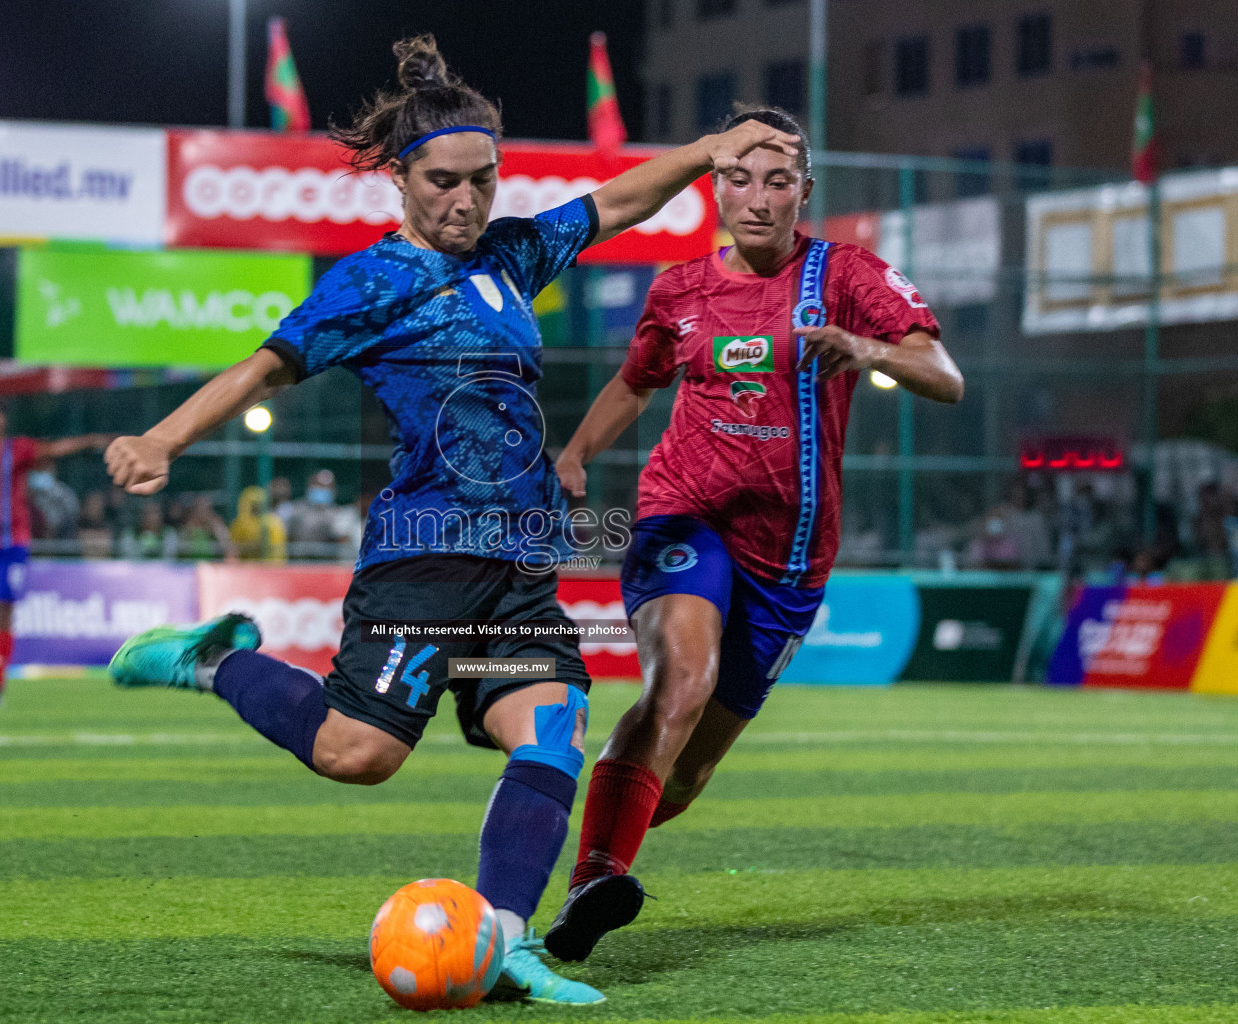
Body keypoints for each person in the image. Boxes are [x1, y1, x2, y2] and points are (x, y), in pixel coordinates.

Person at [102, 36, 800, 1006]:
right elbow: (263, 367)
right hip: (422, 566)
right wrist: (163, 438)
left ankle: (505, 937)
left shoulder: (514, 255)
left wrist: (706, 153)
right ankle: (213, 659)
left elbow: (617, 204)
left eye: (483, 180)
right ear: (400, 177)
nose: (466, 201)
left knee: (552, 724)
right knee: (360, 754)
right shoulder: (371, 283)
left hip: (515, 569)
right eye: (443, 182)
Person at [542, 104, 964, 962]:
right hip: (682, 514)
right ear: (716, 184)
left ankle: (595, 817)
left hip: (792, 558)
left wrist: (868, 350)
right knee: (679, 686)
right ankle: (591, 878)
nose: (758, 198)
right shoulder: (679, 289)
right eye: (739, 177)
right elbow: (635, 382)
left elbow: (943, 376)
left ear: (803, 191)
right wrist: (576, 455)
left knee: (686, 775)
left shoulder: (846, 276)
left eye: (779, 181)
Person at [0, 398, 108, 705]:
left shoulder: (14, 450)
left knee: (4, 607)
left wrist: (90, 441)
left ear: (1, 421)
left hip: (9, 546)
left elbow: (53, 450)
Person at [229, 486, 287, 562]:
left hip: (270, 568)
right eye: (253, 504)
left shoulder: (272, 523)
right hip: (245, 569)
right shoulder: (239, 524)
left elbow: (276, 551)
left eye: (256, 503)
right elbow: (233, 550)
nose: (255, 507)